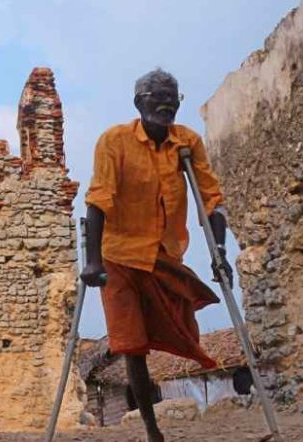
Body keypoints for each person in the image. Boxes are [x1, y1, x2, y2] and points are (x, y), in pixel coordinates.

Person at [82, 68, 233, 442]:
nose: (166, 105)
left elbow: (210, 200)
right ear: (139, 103)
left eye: (172, 99)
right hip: (117, 256)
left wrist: (221, 252)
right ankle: (152, 430)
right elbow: (98, 199)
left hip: (164, 254)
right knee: (131, 344)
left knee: (181, 325)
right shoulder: (114, 141)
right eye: (156, 99)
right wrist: (92, 260)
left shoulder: (187, 142)